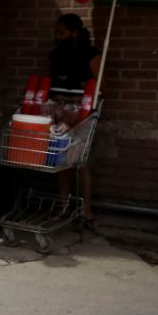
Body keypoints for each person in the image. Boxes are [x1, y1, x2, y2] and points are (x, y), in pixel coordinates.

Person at [48, 13, 102, 228]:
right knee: (62, 161)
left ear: (75, 32)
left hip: (82, 113)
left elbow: (99, 85)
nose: (58, 37)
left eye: (62, 33)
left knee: (81, 161)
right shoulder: (53, 55)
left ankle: (86, 210)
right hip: (58, 111)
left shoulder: (91, 54)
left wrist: (83, 104)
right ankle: (63, 206)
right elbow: (46, 82)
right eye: (56, 33)